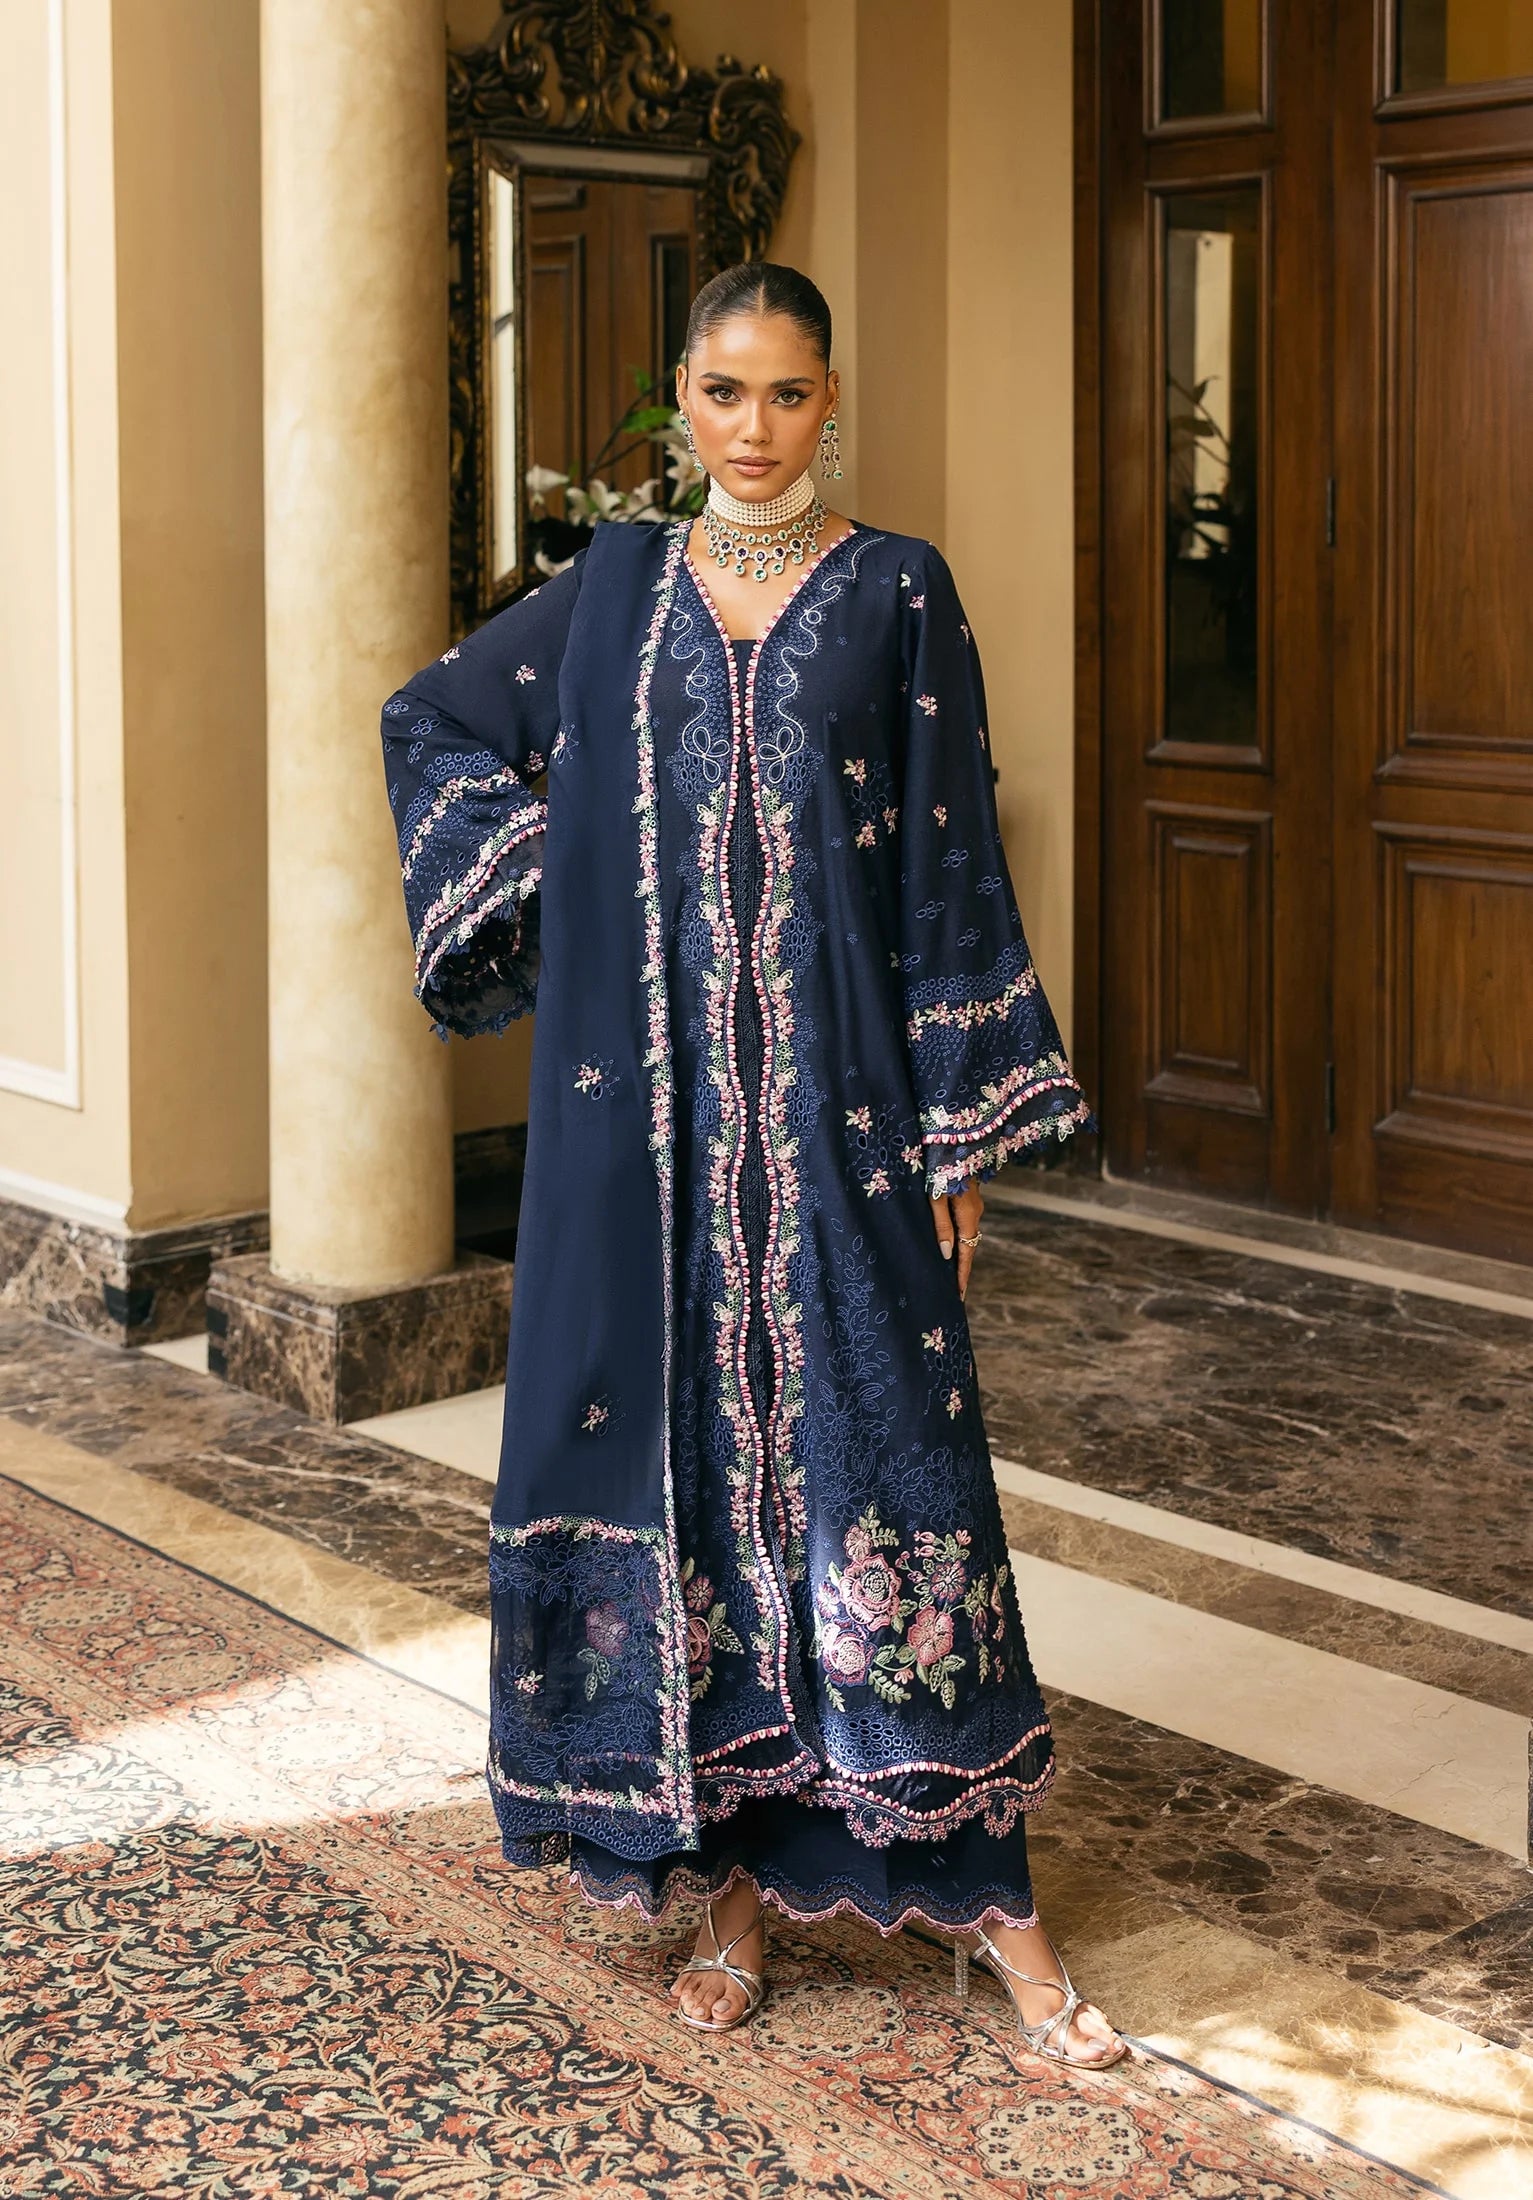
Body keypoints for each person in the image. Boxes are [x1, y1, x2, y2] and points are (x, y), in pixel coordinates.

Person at [381, 263, 1124, 2068]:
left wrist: (962, 1131)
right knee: (695, 1490)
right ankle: (730, 1895)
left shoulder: (895, 591)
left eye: (788, 395)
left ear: (829, 401)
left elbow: (944, 867)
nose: (755, 428)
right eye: (724, 393)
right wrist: (572, 882)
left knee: (898, 1469)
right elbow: (435, 723)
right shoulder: (618, 592)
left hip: (844, 1129)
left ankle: (998, 1913)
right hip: (644, 1156)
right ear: (683, 401)